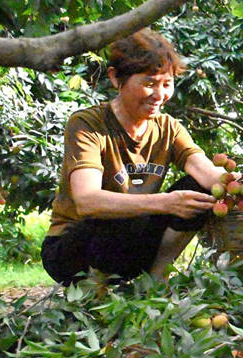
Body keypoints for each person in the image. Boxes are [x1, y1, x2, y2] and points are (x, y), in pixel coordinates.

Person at [41, 28, 225, 286]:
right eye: (149, 83)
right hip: (73, 249)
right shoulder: (88, 124)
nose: (160, 95)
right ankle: (94, 289)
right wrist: (166, 202)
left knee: (198, 190)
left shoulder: (168, 128)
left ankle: (156, 278)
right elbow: (87, 201)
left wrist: (234, 182)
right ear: (116, 79)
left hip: (132, 246)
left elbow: (204, 170)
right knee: (114, 218)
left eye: (166, 84)